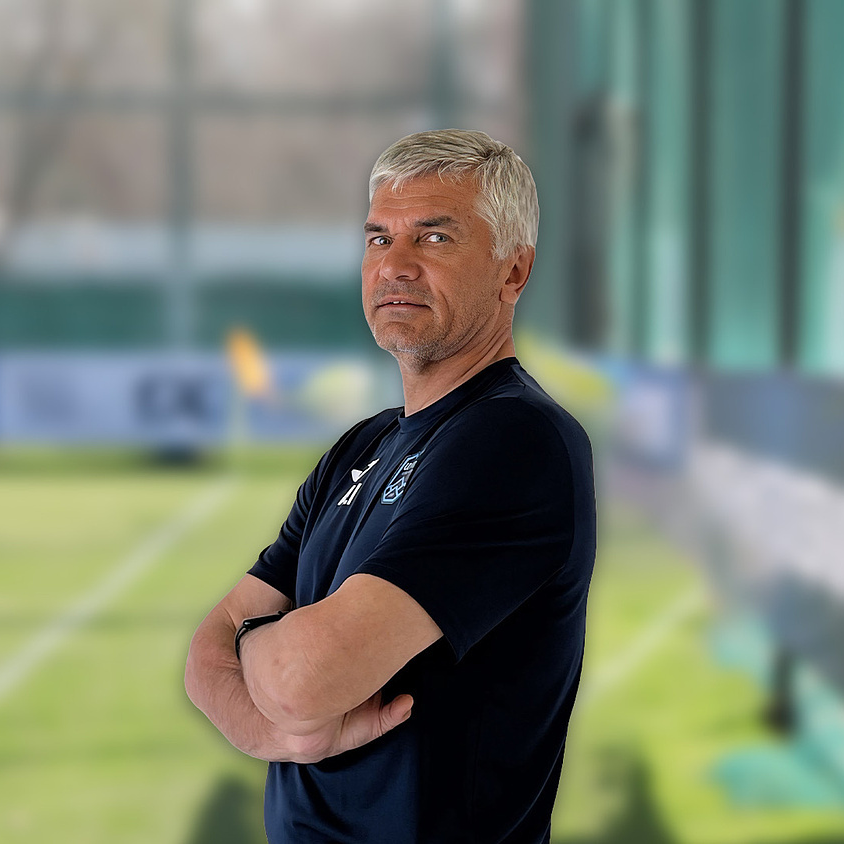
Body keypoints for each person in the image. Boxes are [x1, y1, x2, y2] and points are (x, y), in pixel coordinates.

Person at [184, 128, 597, 843]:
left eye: (434, 238)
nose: (395, 266)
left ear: (514, 270)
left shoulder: (515, 441)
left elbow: (300, 679)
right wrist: (272, 733)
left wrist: (255, 644)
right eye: (379, 239)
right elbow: (204, 655)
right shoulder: (361, 446)